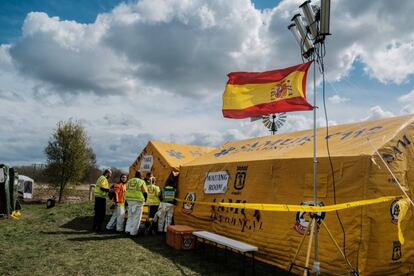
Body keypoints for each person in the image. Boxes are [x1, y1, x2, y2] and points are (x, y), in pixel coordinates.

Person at [125, 171, 148, 236]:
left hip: (129, 200)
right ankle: (133, 233)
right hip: (138, 201)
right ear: (140, 175)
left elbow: (126, 189)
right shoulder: (141, 181)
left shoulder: (129, 181)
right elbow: (145, 192)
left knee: (130, 216)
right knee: (137, 217)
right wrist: (145, 200)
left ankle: (127, 230)